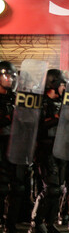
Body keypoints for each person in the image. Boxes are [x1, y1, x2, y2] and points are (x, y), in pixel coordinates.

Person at [30, 69, 67, 233]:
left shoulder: (64, 102)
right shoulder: (41, 103)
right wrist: (56, 118)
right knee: (50, 188)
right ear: (54, 84)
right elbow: (37, 127)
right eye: (62, 84)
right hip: (45, 149)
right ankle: (37, 221)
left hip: (60, 149)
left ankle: (50, 223)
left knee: (58, 189)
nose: (64, 87)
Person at [0, 61, 18, 232]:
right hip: (1, 145)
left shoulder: (15, 98)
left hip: (14, 145)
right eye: (6, 75)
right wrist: (8, 118)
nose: (9, 79)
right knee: (2, 186)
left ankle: (10, 222)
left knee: (17, 186)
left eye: (12, 76)